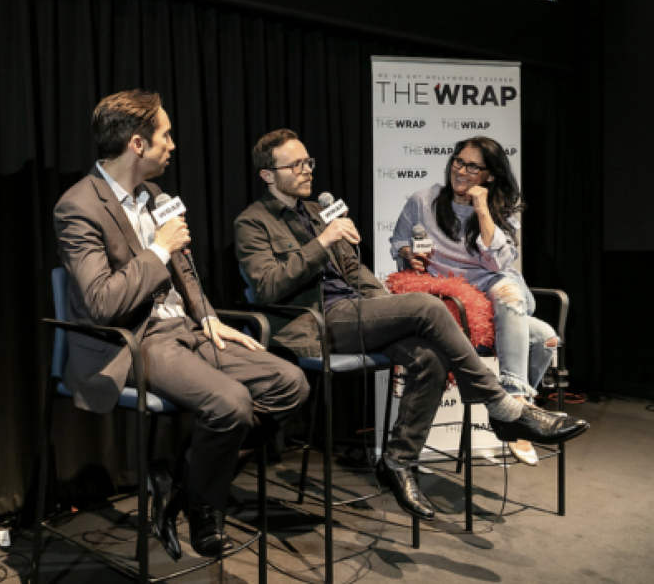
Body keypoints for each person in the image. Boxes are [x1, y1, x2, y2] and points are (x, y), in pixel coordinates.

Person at [234, 129, 588, 521]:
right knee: (427, 306)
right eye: (296, 165)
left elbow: (355, 271)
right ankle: (503, 405)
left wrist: (384, 306)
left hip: (356, 312)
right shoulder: (252, 222)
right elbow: (266, 287)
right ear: (268, 175)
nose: (306, 170)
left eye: (308, 162)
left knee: (429, 356)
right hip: (314, 323)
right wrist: (322, 243)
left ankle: (399, 461)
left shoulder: (320, 211)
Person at [54, 91, 309, 560]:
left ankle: (183, 480)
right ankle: (205, 506)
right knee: (231, 403)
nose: (173, 145)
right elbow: (101, 302)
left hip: (186, 329)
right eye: (165, 136)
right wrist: (158, 250)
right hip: (134, 338)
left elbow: (185, 270)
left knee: (289, 383)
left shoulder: (156, 197)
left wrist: (208, 316)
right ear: (137, 144)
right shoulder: (78, 206)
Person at [390, 136, 558, 465]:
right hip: (456, 299)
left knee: (510, 295)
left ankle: (512, 402)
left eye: (472, 167)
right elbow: (398, 241)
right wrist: (409, 254)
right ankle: (513, 416)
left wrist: (482, 209)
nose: (461, 171)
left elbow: (497, 265)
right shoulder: (423, 201)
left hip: (491, 284)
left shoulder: (501, 209)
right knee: (545, 337)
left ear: (490, 175)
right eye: (458, 162)